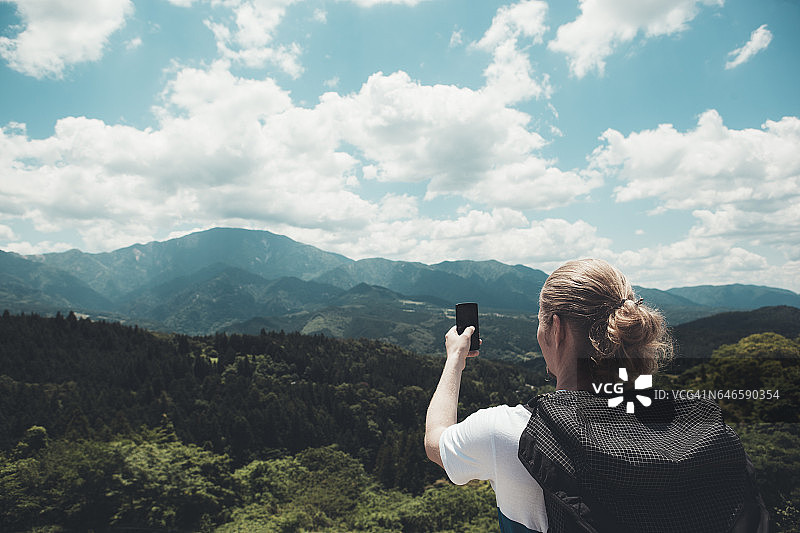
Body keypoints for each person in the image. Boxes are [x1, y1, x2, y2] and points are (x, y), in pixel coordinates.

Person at [424, 258, 768, 533]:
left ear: (556, 330)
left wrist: (455, 358)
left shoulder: (510, 433)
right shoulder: (698, 432)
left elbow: (435, 442)